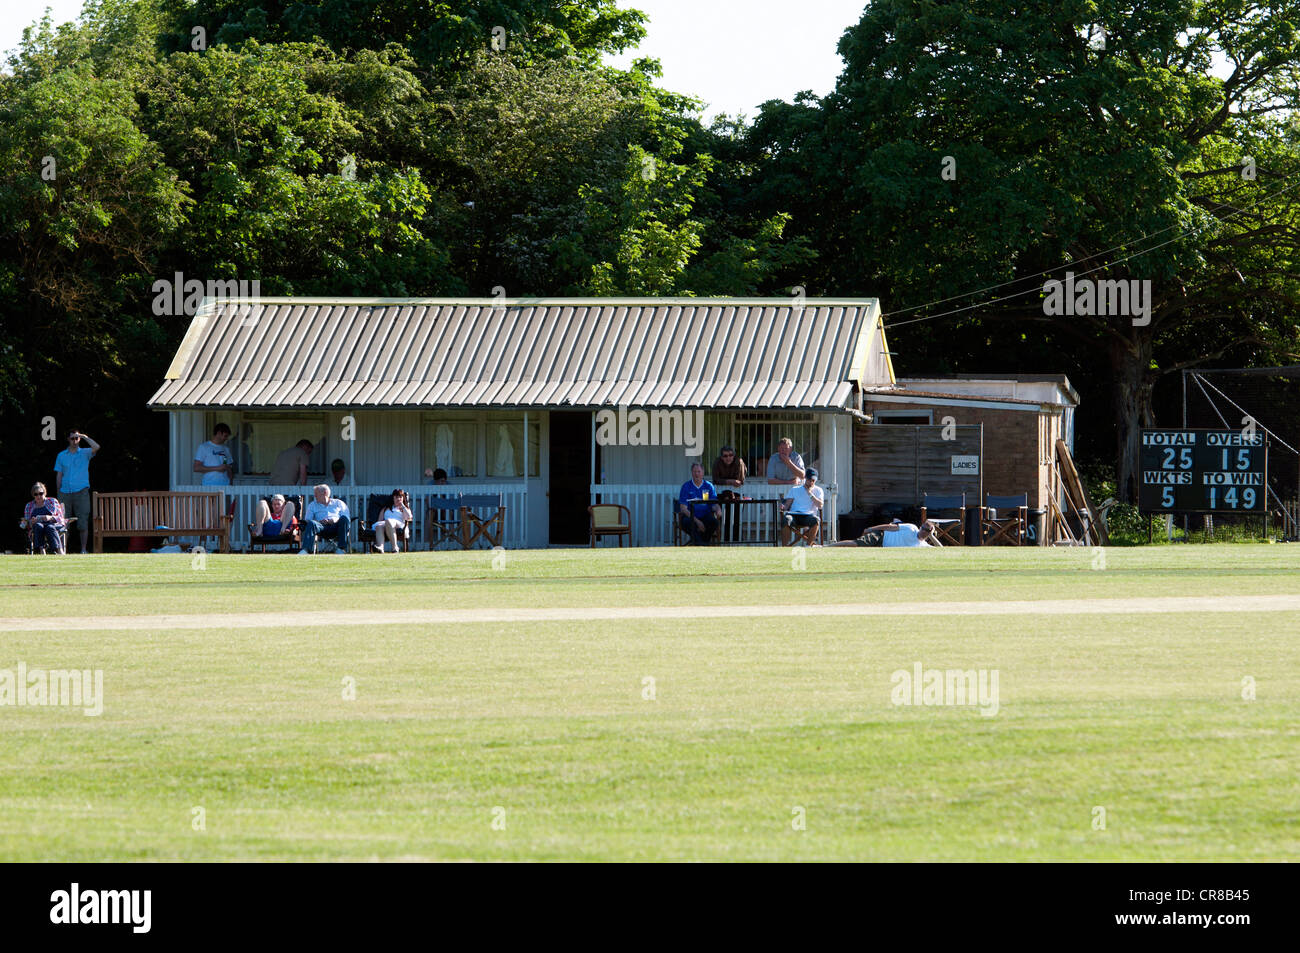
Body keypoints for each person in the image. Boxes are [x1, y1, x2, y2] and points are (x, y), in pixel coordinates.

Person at [54, 429, 99, 554]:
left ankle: (83, 549)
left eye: (77, 438)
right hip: (64, 492)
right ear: (68, 440)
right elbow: (59, 475)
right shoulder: (61, 455)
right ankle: (62, 550)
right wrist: (58, 493)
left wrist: (84, 436)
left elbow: (96, 446)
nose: (75, 441)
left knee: (83, 522)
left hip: (81, 492)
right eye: (72, 438)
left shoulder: (85, 452)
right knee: (63, 523)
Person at [678, 462, 722, 545]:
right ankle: (703, 544)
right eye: (694, 472)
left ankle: (700, 543)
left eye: (699, 471)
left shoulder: (708, 486)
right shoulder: (686, 486)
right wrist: (698, 522)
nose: (697, 474)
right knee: (687, 523)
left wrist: (718, 509)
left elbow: (714, 504)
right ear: (691, 473)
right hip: (690, 517)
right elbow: (683, 508)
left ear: (703, 472)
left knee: (714, 523)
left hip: (705, 515)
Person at [299, 484, 351, 554]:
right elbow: (308, 520)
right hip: (322, 527)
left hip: (337, 527)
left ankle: (341, 549)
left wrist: (335, 520)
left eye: (316, 494)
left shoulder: (339, 503)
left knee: (344, 519)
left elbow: (346, 517)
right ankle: (306, 550)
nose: (315, 496)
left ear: (325, 493)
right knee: (311, 523)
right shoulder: (312, 505)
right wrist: (319, 522)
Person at [781, 467, 824, 546]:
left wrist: (810, 494)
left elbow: (820, 505)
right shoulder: (795, 489)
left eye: (813, 480)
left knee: (816, 520)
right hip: (794, 515)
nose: (811, 482)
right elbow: (786, 506)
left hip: (808, 516)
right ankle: (784, 547)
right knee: (786, 519)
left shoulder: (818, 490)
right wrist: (783, 507)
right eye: (809, 480)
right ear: (805, 478)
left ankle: (808, 546)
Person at [21, 483, 66, 554]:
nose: (38, 496)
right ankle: (42, 550)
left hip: (53, 524)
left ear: (44, 493)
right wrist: (30, 522)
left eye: (41, 493)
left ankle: (59, 550)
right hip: (38, 525)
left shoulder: (52, 501)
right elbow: (26, 522)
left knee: (50, 527)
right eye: (36, 494)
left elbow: (60, 518)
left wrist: (50, 517)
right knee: (38, 526)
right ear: (33, 495)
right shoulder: (29, 506)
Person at [829, 520, 943, 547]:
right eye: (922, 528)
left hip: (882, 547)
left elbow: (941, 550)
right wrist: (870, 529)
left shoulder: (923, 545)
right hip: (881, 536)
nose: (923, 531)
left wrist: (932, 536)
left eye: (926, 531)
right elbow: (889, 527)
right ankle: (827, 546)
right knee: (856, 544)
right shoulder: (911, 528)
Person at [371, 489, 413, 553]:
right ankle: (380, 547)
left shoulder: (404, 508)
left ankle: (395, 547)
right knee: (379, 526)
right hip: (387, 525)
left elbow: (409, 517)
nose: (398, 499)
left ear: (403, 498)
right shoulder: (386, 508)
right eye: (396, 497)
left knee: (389, 521)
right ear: (393, 498)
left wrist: (403, 506)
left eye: (400, 497)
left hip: (399, 525)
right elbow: (379, 520)